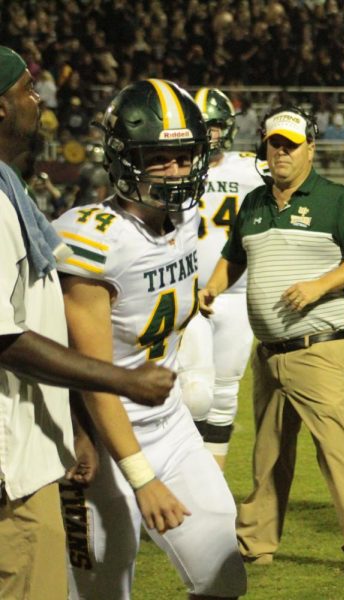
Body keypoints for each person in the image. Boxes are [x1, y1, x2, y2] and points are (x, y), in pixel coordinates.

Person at [54, 79, 247, 599]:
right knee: (100, 586)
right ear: (122, 159)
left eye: (183, 157)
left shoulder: (184, 217)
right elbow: (90, 375)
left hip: (170, 423)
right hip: (96, 438)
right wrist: (141, 477)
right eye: (156, 157)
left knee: (223, 572)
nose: (175, 171)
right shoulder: (92, 240)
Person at [0, 47, 175, 600]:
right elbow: (3, 336)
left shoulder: (11, 188)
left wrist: (72, 422)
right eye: (27, 90)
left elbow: (36, 317)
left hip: (27, 444)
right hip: (9, 463)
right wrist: (123, 381)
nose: (39, 102)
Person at [198, 106, 344, 574]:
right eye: (273, 144)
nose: (280, 152)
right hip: (270, 353)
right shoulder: (256, 203)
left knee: (334, 447)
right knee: (269, 452)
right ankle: (255, 543)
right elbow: (233, 256)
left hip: (318, 347)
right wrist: (214, 286)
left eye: (290, 145)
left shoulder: (335, 200)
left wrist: (321, 285)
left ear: (310, 150)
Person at [177, 88, 260, 470]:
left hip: (238, 294)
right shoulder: (172, 166)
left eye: (215, 127)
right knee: (194, 395)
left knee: (226, 393)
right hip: (188, 294)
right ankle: (182, 473)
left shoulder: (250, 168)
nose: (209, 135)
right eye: (203, 126)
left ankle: (211, 486)